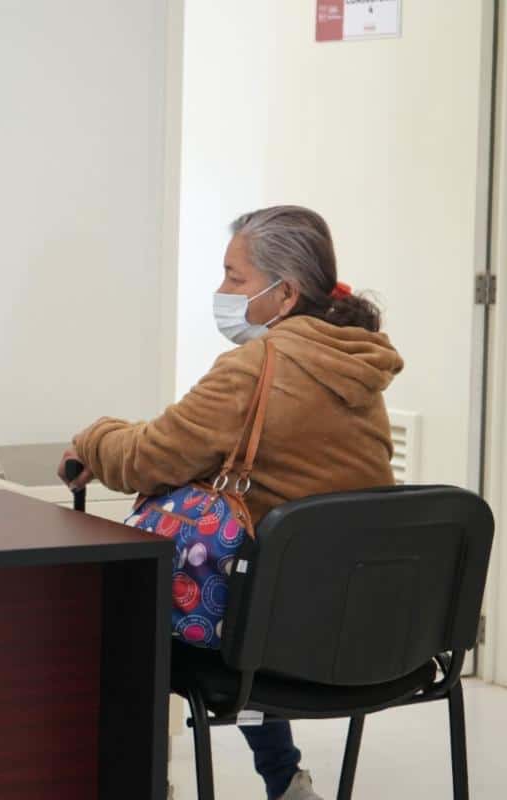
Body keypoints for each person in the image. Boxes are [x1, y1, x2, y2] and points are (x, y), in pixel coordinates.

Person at [60, 205, 404, 800]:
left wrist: (92, 437)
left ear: (285, 292)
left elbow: (147, 458)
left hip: (266, 643)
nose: (221, 291)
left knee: (130, 621)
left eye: (234, 277)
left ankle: (140, 785)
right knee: (260, 578)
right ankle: (284, 781)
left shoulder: (257, 367)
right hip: (360, 633)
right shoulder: (358, 363)